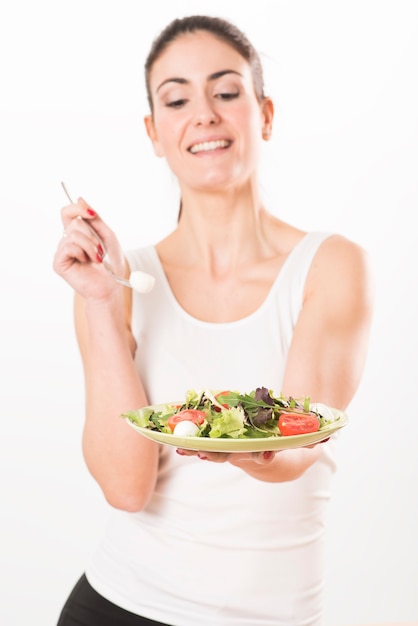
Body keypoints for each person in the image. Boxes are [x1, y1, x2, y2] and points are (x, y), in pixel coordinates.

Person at [53, 14, 373, 626]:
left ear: (266, 114)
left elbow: (299, 449)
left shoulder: (330, 266)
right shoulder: (117, 279)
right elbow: (126, 488)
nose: (203, 113)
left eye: (226, 92)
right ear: (154, 131)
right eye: (177, 99)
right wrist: (99, 302)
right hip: (121, 606)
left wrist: (240, 450)